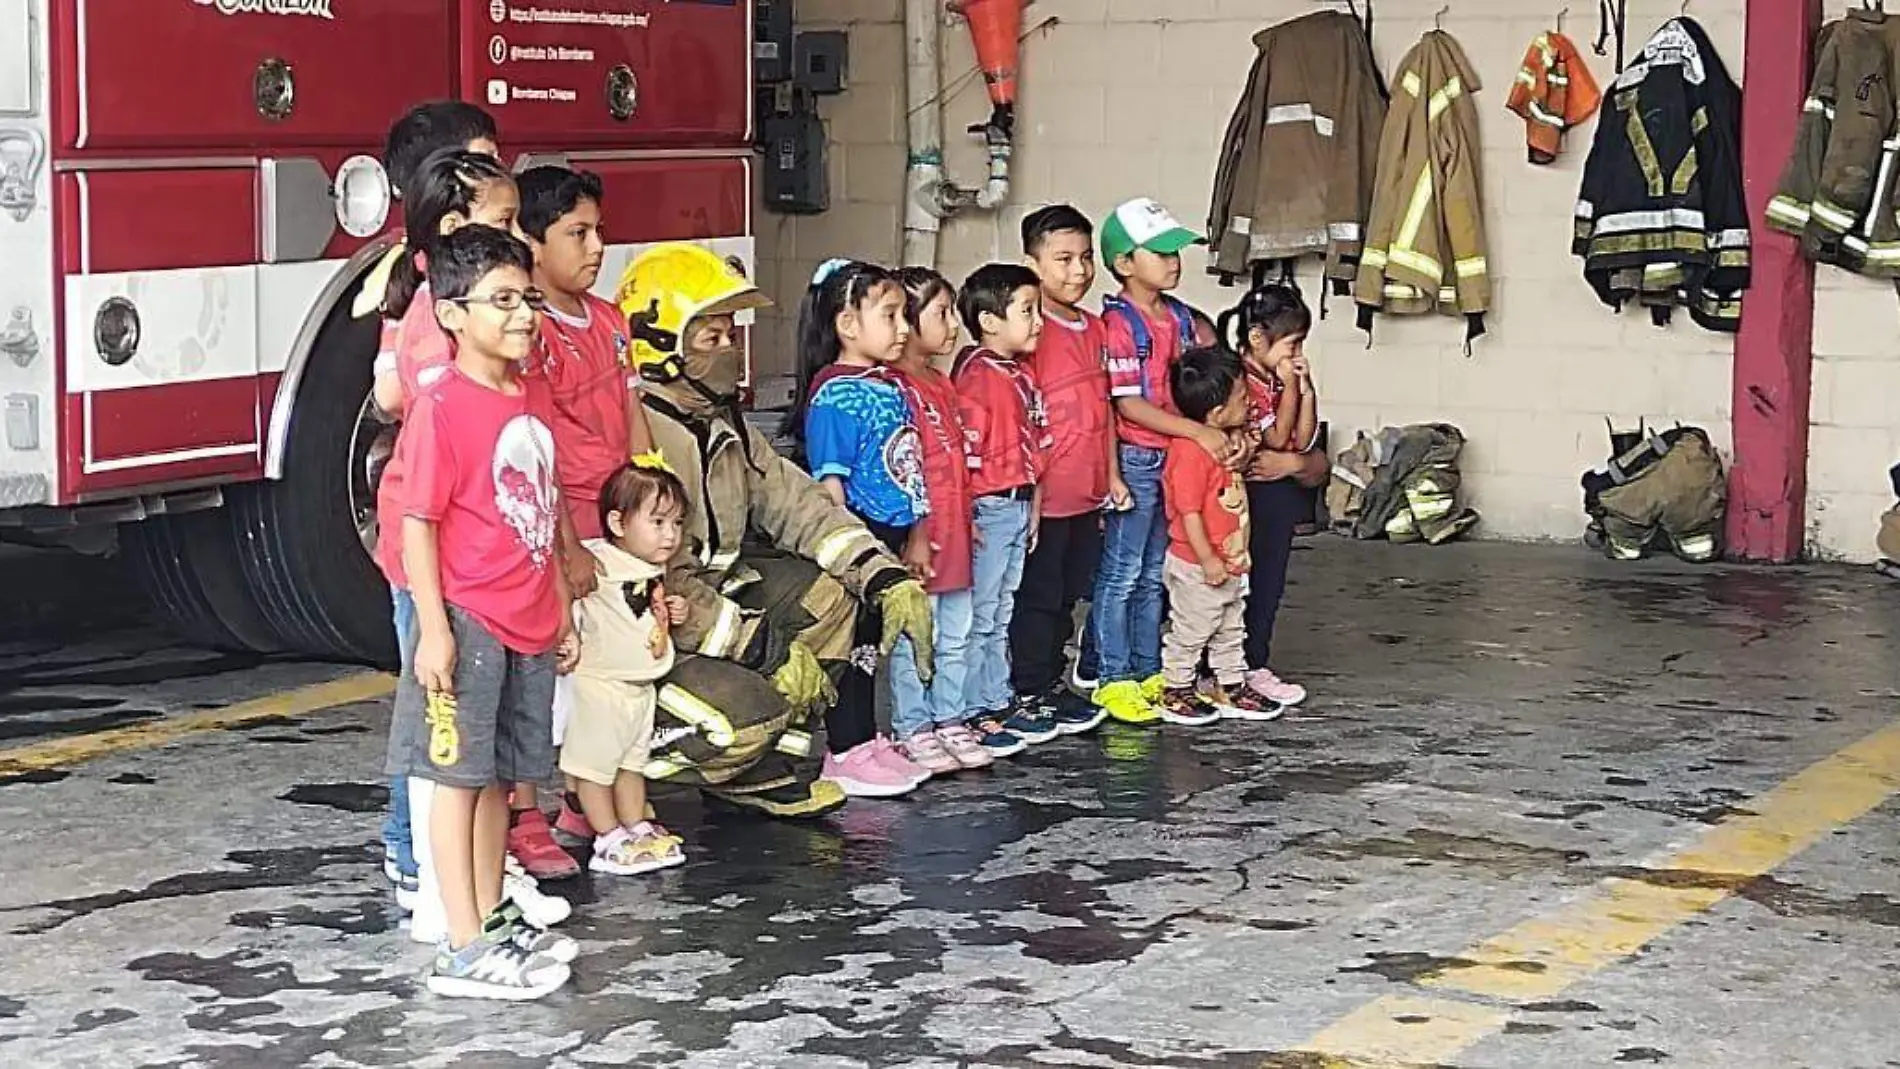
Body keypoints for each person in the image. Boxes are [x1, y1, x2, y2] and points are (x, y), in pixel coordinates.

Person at [612, 242, 937, 817]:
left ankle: (768, 768)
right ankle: (639, 760)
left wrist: (882, 576)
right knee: (748, 710)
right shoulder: (645, 435)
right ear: (659, 344)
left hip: (715, 601)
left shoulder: (722, 420)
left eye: (729, 333)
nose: (730, 348)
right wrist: (764, 650)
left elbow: (800, 505)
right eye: (710, 338)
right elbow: (669, 588)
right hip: (655, 631)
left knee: (834, 597)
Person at [384, 224, 581, 1000]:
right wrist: (433, 628)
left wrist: (562, 601)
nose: (523, 315)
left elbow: (548, 499)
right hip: (469, 622)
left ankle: (493, 917)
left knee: (503, 779)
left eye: (526, 298)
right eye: (501, 301)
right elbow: (418, 521)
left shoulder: (530, 391)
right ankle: (461, 944)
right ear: (452, 313)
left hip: (530, 615)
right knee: (457, 781)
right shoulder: (441, 407)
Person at [368, 147, 519, 911]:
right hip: (441, 570)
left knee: (474, 742)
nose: (517, 237)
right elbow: (428, 485)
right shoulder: (441, 337)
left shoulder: (467, 329)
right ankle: (422, 869)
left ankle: (473, 885)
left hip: (479, 571)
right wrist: (436, 617)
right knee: (439, 729)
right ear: (456, 230)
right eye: (504, 222)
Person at [509, 164, 661, 876]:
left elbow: (631, 410)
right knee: (564, 673)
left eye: (598, 229)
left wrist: (649, 488)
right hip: (568, 526)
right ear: (532, 243)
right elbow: (541, 438)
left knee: (612, 668)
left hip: (618, 521)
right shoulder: (531, 329)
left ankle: (586, 794)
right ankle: (536, 809)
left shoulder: (606, 319)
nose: (596, 246)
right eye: (578, 232)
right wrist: (572, 543)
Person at [784, 259, 932, 796]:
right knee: (852, 644)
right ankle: (844, 748)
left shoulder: (888, 385)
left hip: (890, 535)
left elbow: (909, 466)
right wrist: (854, 552)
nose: (903, 329)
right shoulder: (836, 395)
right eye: (890, 316)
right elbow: (831, 484)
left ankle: (868, 739)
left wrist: (916, 534)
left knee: (874, 643)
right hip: (859, 537)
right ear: (848, 324)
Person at [1092, 197, 1230, 726]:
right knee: (1123, 572)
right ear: (1125, 263)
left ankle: (1150, 670)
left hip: (1171, 459)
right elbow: (1127, 403)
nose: (1174, 261)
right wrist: (1197, 430)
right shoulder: (1119, 322)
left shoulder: (1179, 318)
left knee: (1156, 573)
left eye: (1177, 251)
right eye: (1161, 252)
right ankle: (1113, 676)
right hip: (1137, 460)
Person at [1010, 205, 1118, 736]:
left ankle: (1051, 684)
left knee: (1069, 596)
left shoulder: (1095, 328)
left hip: (1087, 493)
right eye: (1063, 259)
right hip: (1043, 498)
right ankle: (1029, 688)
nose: (1078, 271)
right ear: (1031, 262)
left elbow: (1106, 411)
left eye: (1085, 258)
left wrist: (1112, 477)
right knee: (1038, 597)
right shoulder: (1027, 334)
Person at [561, 461, 691, 875]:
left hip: (640, 688)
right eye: (657, 522)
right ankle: (607, 836)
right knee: (594, 770)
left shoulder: (651, 568)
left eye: (676, 523)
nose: (670, 534)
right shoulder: (597, 561)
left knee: (632, 765)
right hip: (600, 686)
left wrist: (674, 611)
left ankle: (636, 825)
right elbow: (565, 585)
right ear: (617, 522)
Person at [888, 266, 991, 773]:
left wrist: (967, 517)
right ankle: (912, 725)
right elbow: (906, 470)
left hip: (954, 526)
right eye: (942, 313)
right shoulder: (895, 386)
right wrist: (917, 534)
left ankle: (949, 717)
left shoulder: (941, 382)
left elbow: (956, 458)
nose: (953, 325)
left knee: (957, 632)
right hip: (922, 535)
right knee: (916, 638)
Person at [953, 263, 1053, 756]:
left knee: (1001, 608)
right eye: (1027, 311)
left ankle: (996, 697)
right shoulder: (978, 377)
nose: (1038, 321)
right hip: (990, 507)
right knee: (983, 611)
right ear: (990, 321)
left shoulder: (1017, 373)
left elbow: (1033, 445)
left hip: (1016, 504)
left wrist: (1033, 503)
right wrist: (968, 513)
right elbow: (968, 455)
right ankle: (976, 709)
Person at [1157, 344, 1282, 724]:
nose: (1249, 403)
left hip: (1229, 562)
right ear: (1215, 412)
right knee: (1192, 630)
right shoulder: (1191, 452)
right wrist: (1208, 558)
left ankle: (1229, 683)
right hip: (1198, 564)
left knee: (1231, 625)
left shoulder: (1225, 440)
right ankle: (1175, 687)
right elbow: (1189, 512)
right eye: (1243, 398)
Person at [1221, 283, 1330, 712]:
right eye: (1291, 343)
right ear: (1256, 339)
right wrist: (1289, 390)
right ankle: (1227, 666)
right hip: (1245, 499)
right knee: (1237, 585)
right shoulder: (1243, 381)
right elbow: (1278, 436)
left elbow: (1302, 441)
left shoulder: (1278, 377)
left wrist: (1305, 390)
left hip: (1276, 497)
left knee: (1269, 583)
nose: (1297, 353)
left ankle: (1255, 661)